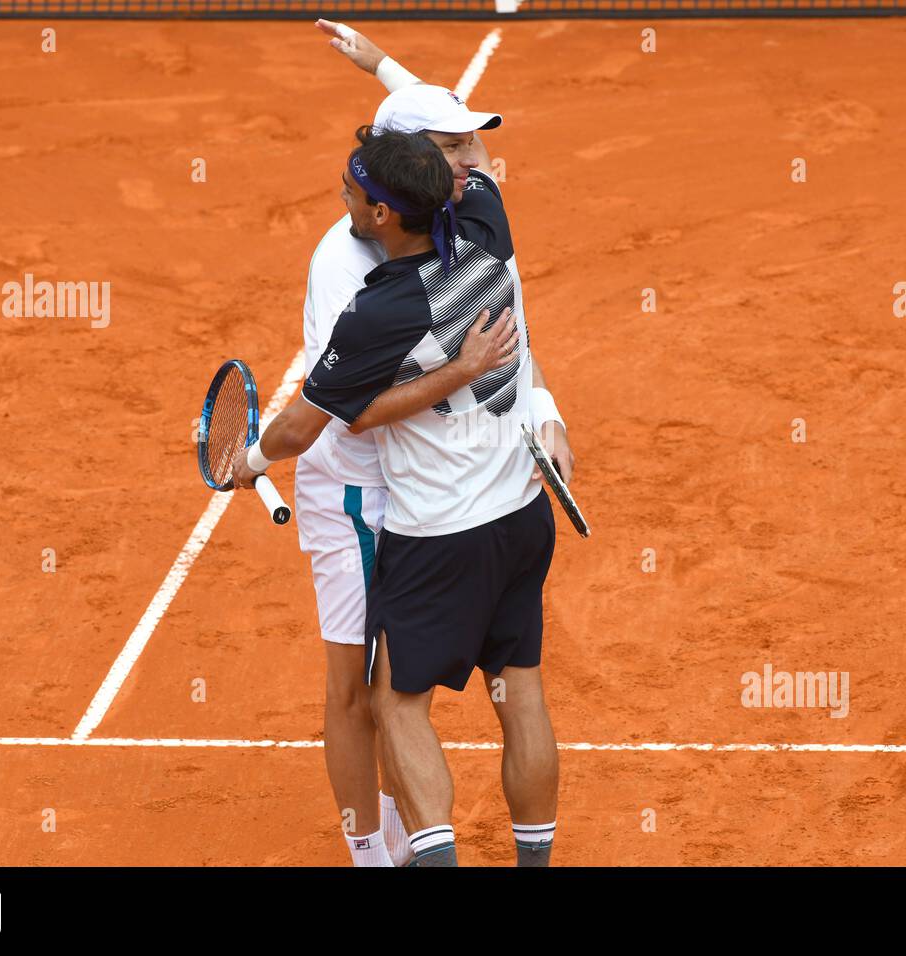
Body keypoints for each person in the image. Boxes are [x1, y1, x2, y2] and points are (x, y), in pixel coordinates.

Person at [285, 21, 573, 867]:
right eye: (454, 149)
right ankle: (383, 854)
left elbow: (343, 411)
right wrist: (382, 67)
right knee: (506, 691)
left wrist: (251, 461)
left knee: (392, 701)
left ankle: (403, 856)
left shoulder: (392, 278)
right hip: (487, 505)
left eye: (471, 147)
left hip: (426, 517)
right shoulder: (478, 226)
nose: (473, 161)